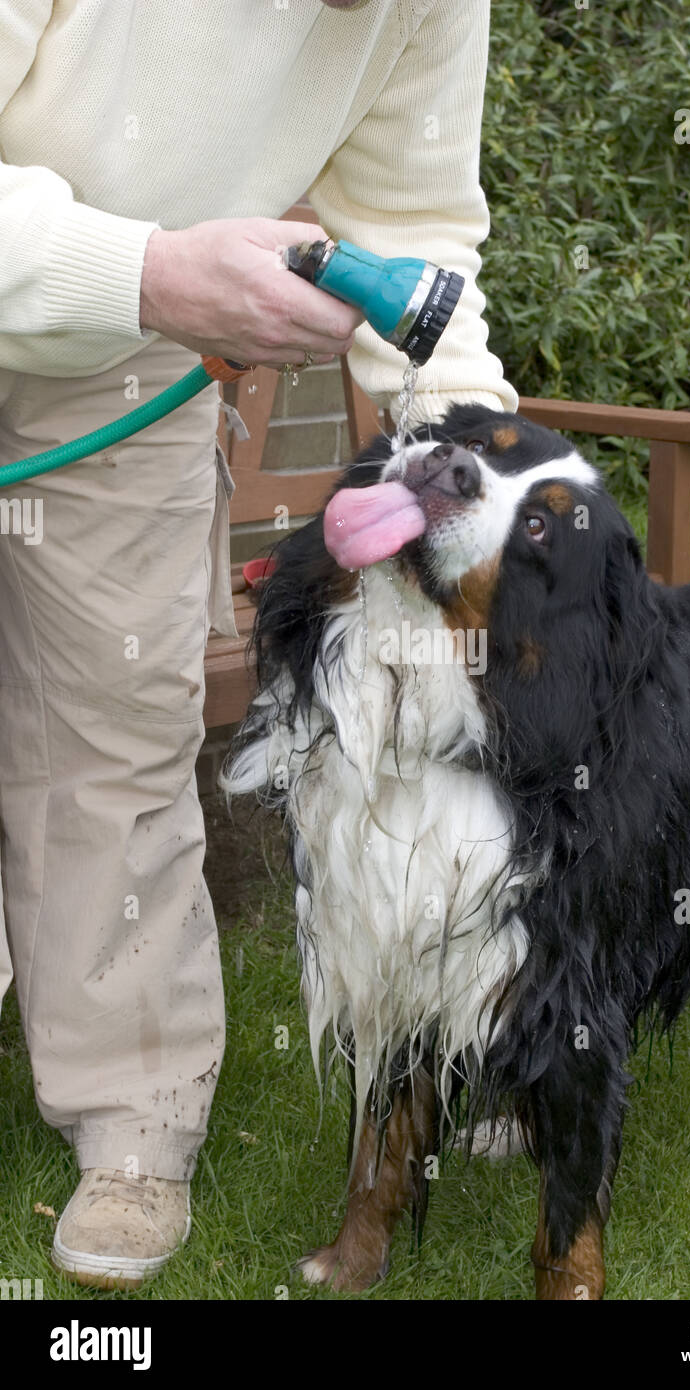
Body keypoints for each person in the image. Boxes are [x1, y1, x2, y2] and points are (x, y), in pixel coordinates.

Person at [0, 0, 517, 1289]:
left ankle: (134, 1124)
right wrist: (144, 269)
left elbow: (416, 240)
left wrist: (482, 480)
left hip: (126, 359)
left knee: (116, 729)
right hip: (109, 283)